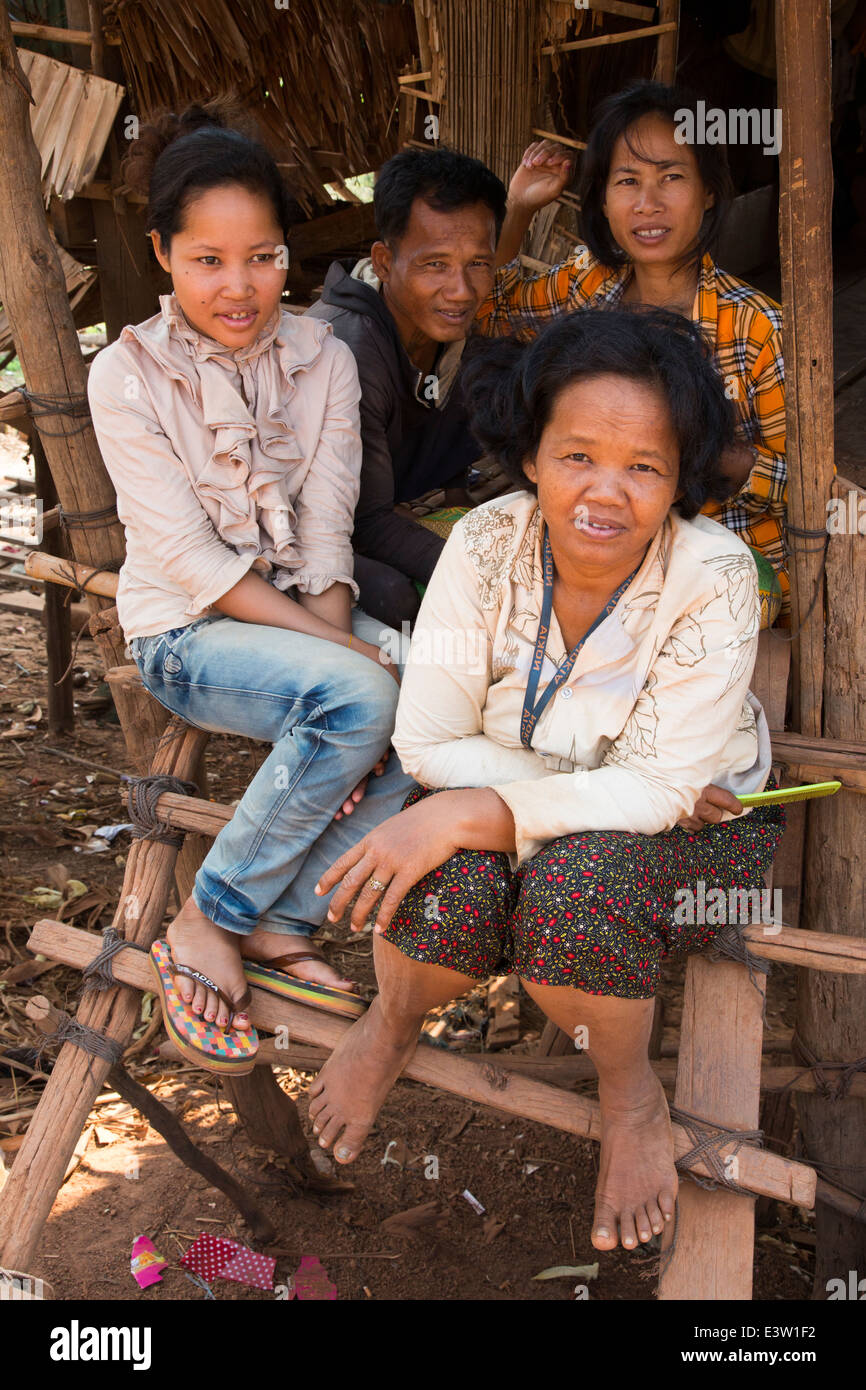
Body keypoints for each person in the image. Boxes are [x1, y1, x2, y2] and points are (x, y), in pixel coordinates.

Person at [307, 307, 786, 1253]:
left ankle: (630, 1096)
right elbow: (429, 737)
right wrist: (553, 797)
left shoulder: (718, 576)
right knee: (439, 891)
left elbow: (657, 801)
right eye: (577, 456)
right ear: (532, 456)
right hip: (621, 801)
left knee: (573, 898)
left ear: (681, 476)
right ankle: (393, 1021)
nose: (605, 492)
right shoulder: (484, 544)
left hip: (698, 833)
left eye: (644, 467)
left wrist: (483, 806)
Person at [87, 106, 415, 1073]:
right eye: (208, 261)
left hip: (301, 612)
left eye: (263, 256)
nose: (239, 288)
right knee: (363, 690)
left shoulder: (326, 356)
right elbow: (192, 563)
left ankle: (278, 920)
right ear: (163, 254)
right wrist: (343, 659)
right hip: (187, 634)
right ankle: (204, 921)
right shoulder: (127, 376)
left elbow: (324, 527)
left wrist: (337, 639)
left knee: (442, 708)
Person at [476, 80, 788, 625]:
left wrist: (694, 443)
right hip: (597, 533)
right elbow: (486, 305)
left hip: (722, 555)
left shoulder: (757, 326)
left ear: (708, 191)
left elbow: (801, 488)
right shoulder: (589, 284)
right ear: (602, 196)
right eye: (628, 181)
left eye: (672, 177)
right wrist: (518, 208)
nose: (648, 204)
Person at [306, 148, 507, 630]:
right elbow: (365, 523)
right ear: (383, 261)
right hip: (318, 539)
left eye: (477, 263)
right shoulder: (346, 349)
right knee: (396, 596)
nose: (460, 290)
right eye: (435, 265)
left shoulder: (451, 336)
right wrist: (495, 584)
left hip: (395, 509)